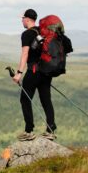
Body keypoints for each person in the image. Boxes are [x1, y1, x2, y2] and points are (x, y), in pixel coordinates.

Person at [13, 8, 57, 141]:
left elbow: (25, 53)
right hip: (46, 72)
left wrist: (19, 73)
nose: (22, 21)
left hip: (33, 71)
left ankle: (29, 130)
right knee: (46, 99)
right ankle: (50, 130)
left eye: (22, 18)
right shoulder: (42, 32)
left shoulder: (26, 34)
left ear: (27, 19)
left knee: (25, 99)